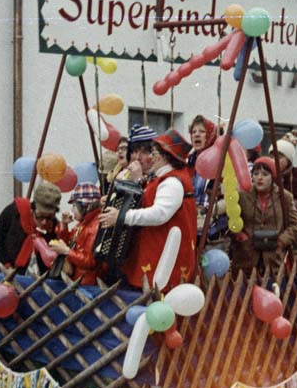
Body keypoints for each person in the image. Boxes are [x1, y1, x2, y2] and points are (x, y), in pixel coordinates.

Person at [100, 130, 197, 291]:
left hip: (162, 257)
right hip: (153, 253)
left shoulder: (172, 182)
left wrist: (122, 216)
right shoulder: (162, 179)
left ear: (163, 156)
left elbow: (159, 214)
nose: (151, 157)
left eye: (153, 152)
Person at [230, 157, 297, 276]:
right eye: (256, 173)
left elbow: (296, 226)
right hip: (246, 258)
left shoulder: (285, 197)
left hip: (273, 259)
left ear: (273, 177)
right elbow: (232, 221)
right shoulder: (242, 196)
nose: (259, 178)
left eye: (265, 174)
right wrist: (241, 236)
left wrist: (280, 241)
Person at [0, 182, 62, 274]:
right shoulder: (14, 212)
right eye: (40, 216)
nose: (44, 222)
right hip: (6, 272)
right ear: (32, 208)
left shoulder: (54, 225)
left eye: (49, 217)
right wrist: (6, 264)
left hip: (38, 279)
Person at [51, 182, 103, 285]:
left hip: (87, 283)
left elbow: (90, 261)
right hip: (78, 280)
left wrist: (66, 251)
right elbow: (69, 242)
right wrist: (64, 225)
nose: (72, 210)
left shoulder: (95, 227)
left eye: (74, 205)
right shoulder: (83, 224)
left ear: (86, 207)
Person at [187, 115, 218, 209]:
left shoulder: (218, 161)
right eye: (193, 132)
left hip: (210, 217)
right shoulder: (188, 161)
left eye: (202, 131)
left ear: (210, 135)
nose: (196, 134)